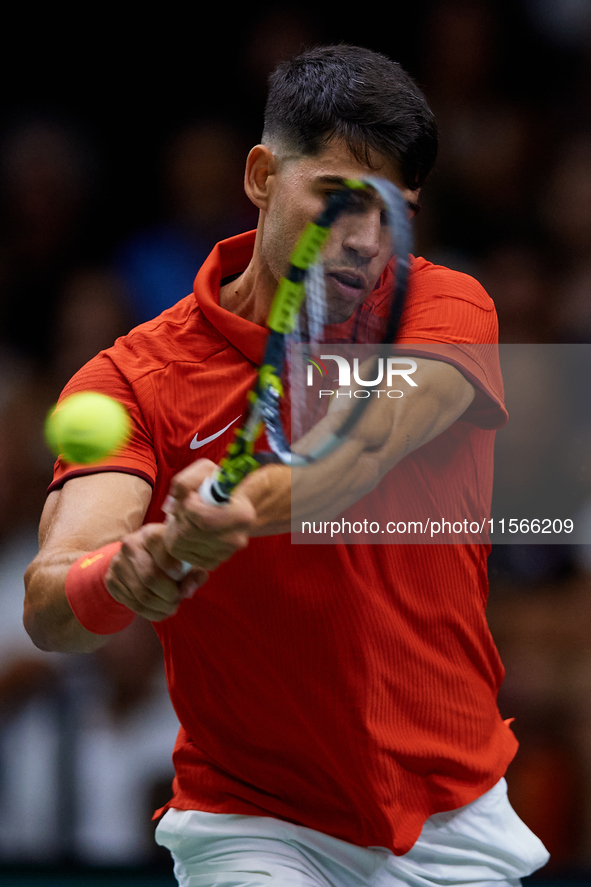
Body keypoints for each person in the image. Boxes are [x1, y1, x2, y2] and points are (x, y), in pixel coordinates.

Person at [24, 46, 549, 886]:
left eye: (391, 211)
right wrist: (122, 575)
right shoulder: (131, 380)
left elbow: (365, 446)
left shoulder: (446, 305)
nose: (363, 241)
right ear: (262, 174)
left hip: (451, 811)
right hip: (254, 820)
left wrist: (239, 508)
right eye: (337, 197)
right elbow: (52, 604)